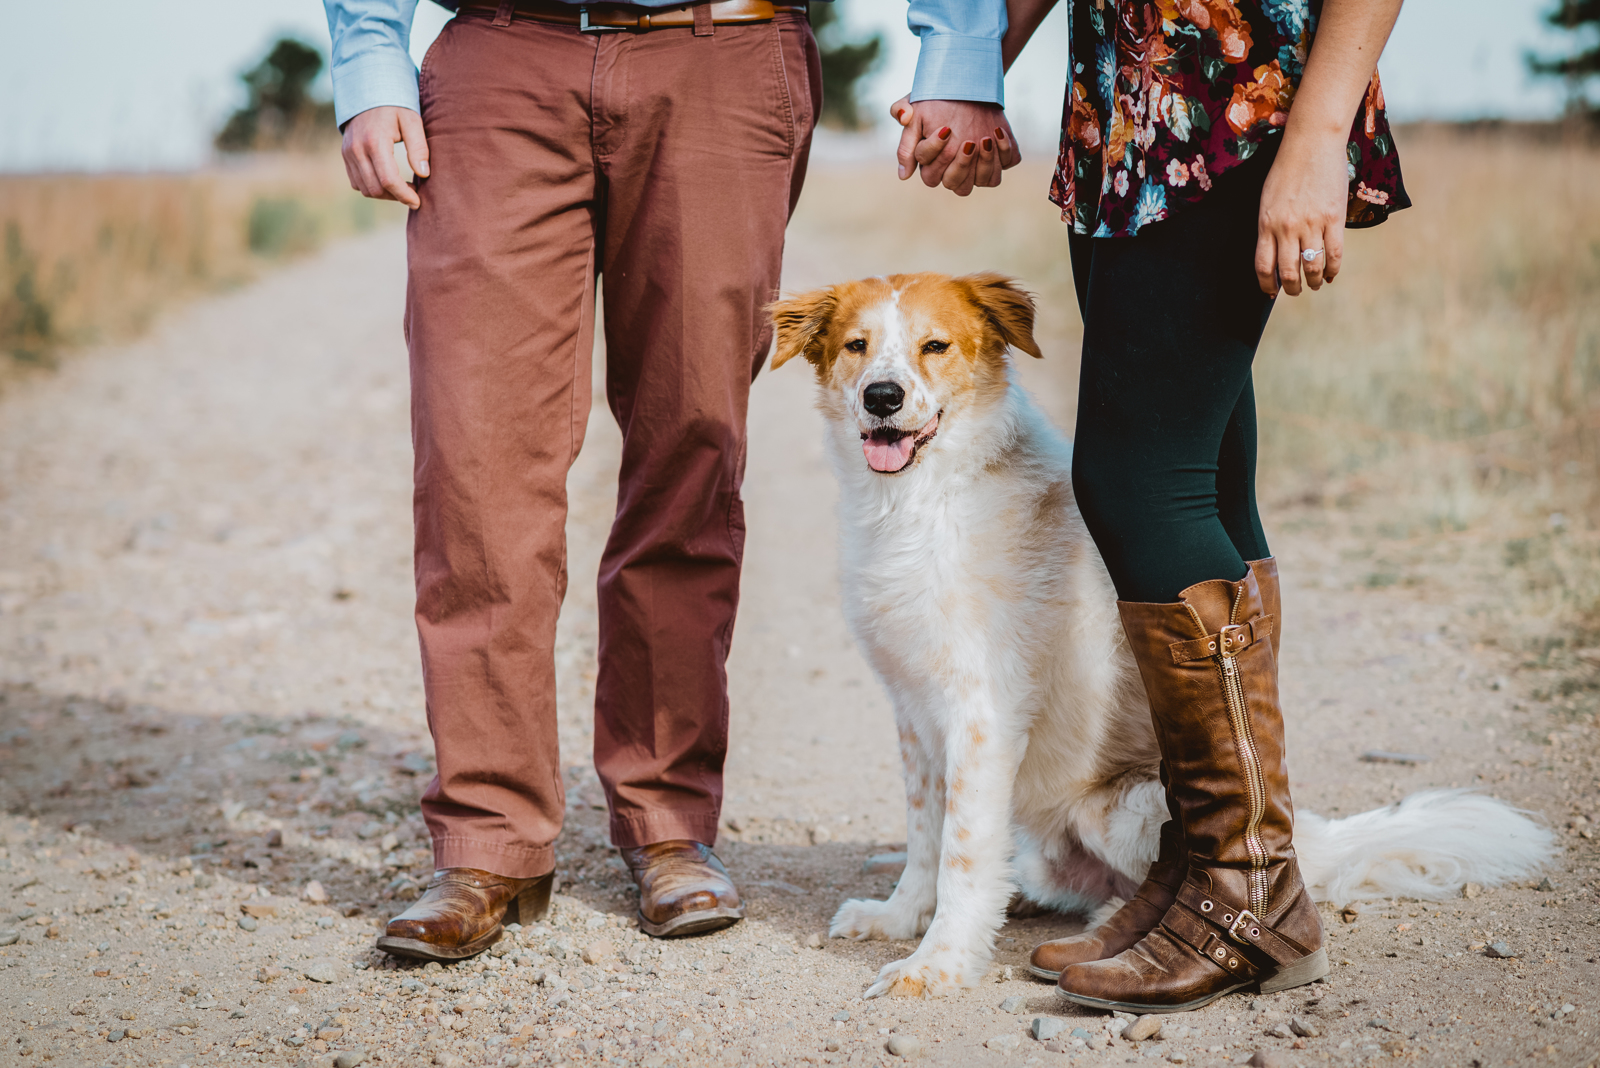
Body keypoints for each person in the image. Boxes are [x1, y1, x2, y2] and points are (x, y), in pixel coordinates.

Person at [320, 0, 988, 958]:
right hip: (501, 53)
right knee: (475, 460)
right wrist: (371, 57)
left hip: (726, 50)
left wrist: (960, 47)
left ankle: (669, 822)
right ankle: (485, 837)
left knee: (693, 445)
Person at [893, 0, 1408, 1010]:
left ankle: (1247, 888)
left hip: (1230, 83)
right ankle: (1208, 867)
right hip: (1134, 91)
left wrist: (1314, 131)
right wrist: (980, 60)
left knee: (1137, 480)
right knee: (1202, 470)